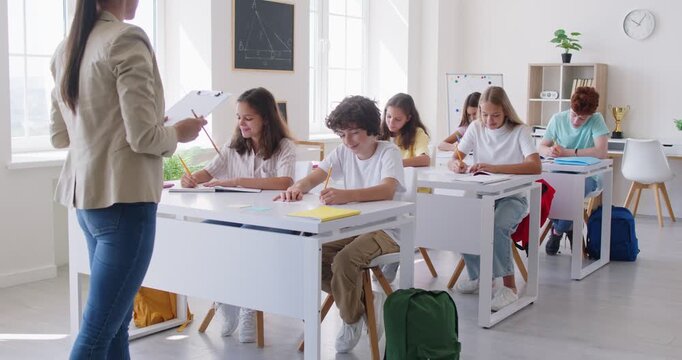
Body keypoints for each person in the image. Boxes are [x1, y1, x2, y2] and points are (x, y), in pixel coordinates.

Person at [50, 1, 206, 358]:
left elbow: (61, 136)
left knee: (116, 322)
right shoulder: (126, 38)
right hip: (126, 200)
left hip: (86, 201)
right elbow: (144, 139)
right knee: (98, 331)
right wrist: (179, 131)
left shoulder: (67, 49)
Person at [275, 95, 405, 354]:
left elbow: (387, 190)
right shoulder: (343, 152)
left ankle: (349, 319)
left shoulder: (388, 152)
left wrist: (348, 195)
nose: (348, 141)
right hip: (355, 227)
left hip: (388, 229)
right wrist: (296, 187)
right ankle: (360, 308)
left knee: (345, 261)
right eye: (342, 134)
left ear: (371, 129)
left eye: (355, 133)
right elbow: (314, 177)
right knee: (312, 255)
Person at [181, 87, 296, 342]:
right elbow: (209, 172)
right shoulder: (233, 146)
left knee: (244, 240)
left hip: (273, 220)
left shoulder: (284, 146)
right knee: (207, 233)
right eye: (238, 117)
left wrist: (236, 181)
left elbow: (285, 181)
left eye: (248, 118)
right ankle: (228, 299)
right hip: (238, 216)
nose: (241, 123)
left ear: (266, 118)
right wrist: (191, 178)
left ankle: (248, 304)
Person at [448, 86, 541, 311]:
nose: (489, 120)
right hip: (482, 194)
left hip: (513, 198)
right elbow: (455, 157)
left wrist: (494, 168)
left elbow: (535, 166)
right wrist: (457, 165)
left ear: (506, 112)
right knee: (460, 220)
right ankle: (479, 275)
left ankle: (509, 288)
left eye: (495, 115)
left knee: (497, 225)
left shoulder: (520, 130)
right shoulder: (475, 128)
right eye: (484, 114)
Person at [538, 86, 609, 255]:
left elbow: (601, 152)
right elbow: (541, 146)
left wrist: (568, 152)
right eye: (573, 115)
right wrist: (549, 151)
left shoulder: (597, 120)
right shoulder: (558, 119)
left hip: (589, 177)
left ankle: (557, 231)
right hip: (560, 174)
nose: (576, 121)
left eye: (582, 118)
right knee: (544, 190)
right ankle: (568, 226)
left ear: (590, 115)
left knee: (574, 192)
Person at [379, 93, 431, 167]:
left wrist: (393, 163)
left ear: (408, 118)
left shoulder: (417, 133)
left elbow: (425, 160)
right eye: (389, 116)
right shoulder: (377, 132)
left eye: (398, 119)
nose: (391, 122)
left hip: (405, 176)